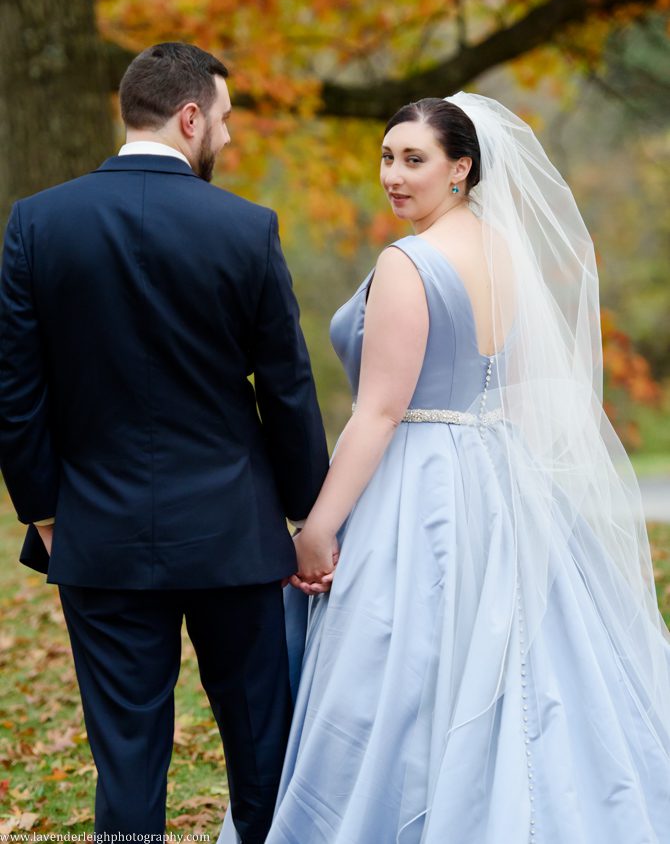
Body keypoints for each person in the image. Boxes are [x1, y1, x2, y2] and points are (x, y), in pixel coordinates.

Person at [221, 93, 670, 843]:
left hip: (420, 481)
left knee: (405, 663)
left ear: (461, 168)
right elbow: (518, 383)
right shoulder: (503, 250)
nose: (394, 176)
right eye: (388, 157)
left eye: (415, 160)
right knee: (521, 657)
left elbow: (378, 413)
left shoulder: (410, 262)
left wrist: (318, 529)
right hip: (500, 469)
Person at [0, 42, 329, 843]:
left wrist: (45, 511)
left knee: (127, 758)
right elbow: (285, 389)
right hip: (235, 539)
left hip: (98, 534)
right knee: (261, 747)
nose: (226, 138)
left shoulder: (36, 223)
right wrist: (309, 517)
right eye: (222, 121)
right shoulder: (247, 229)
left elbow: (16, 391)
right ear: (189, 118)